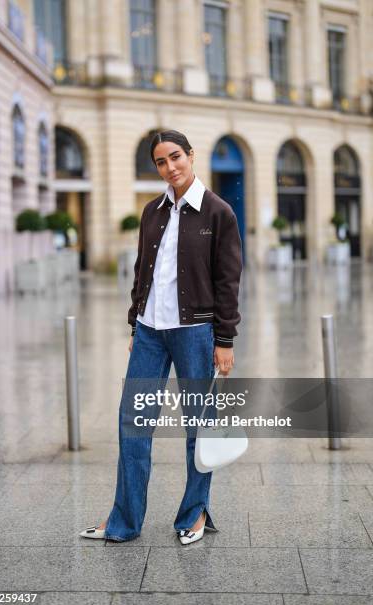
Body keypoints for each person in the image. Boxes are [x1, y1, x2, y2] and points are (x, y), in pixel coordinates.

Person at [80, 129, 242, 545]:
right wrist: (137, 322)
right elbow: (142, 271)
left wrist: (225, 339)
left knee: (198, 426)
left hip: (196, 331)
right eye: (160, 162)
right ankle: (124, 521)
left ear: (191, 155)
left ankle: (194, 513)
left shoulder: (218, 212)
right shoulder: (152, 211)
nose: (170, 167)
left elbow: (228, 281)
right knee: (133, 423)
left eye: (175, 157)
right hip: (151, 331)